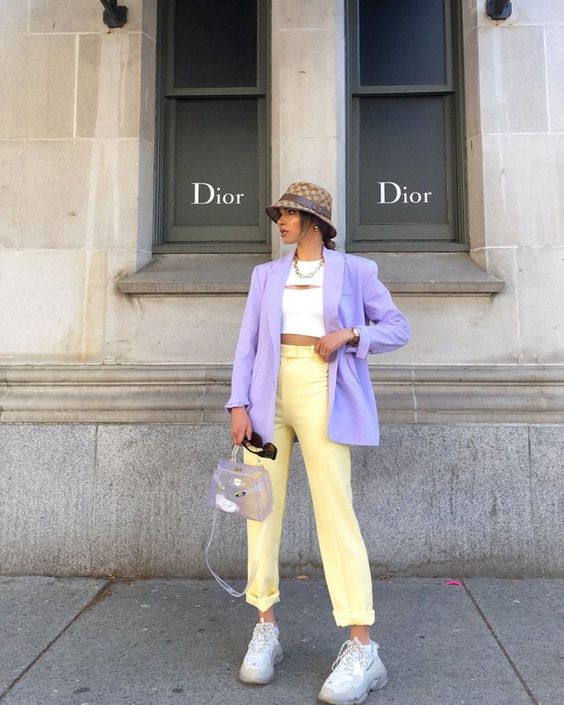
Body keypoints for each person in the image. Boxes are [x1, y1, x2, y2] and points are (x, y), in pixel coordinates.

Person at [224, 182, 410, 704]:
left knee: (335, 511)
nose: (280, 222)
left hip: (323, 388)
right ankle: (265, 626)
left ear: (314, 222)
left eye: (289, 214)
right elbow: (248, 343)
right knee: (259, 511)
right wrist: (238, 404)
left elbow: (397, 328)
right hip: (267, 394)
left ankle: (362, 645)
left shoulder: (356, 271)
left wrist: (351, 334)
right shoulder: (266, 275)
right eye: (279, 214)